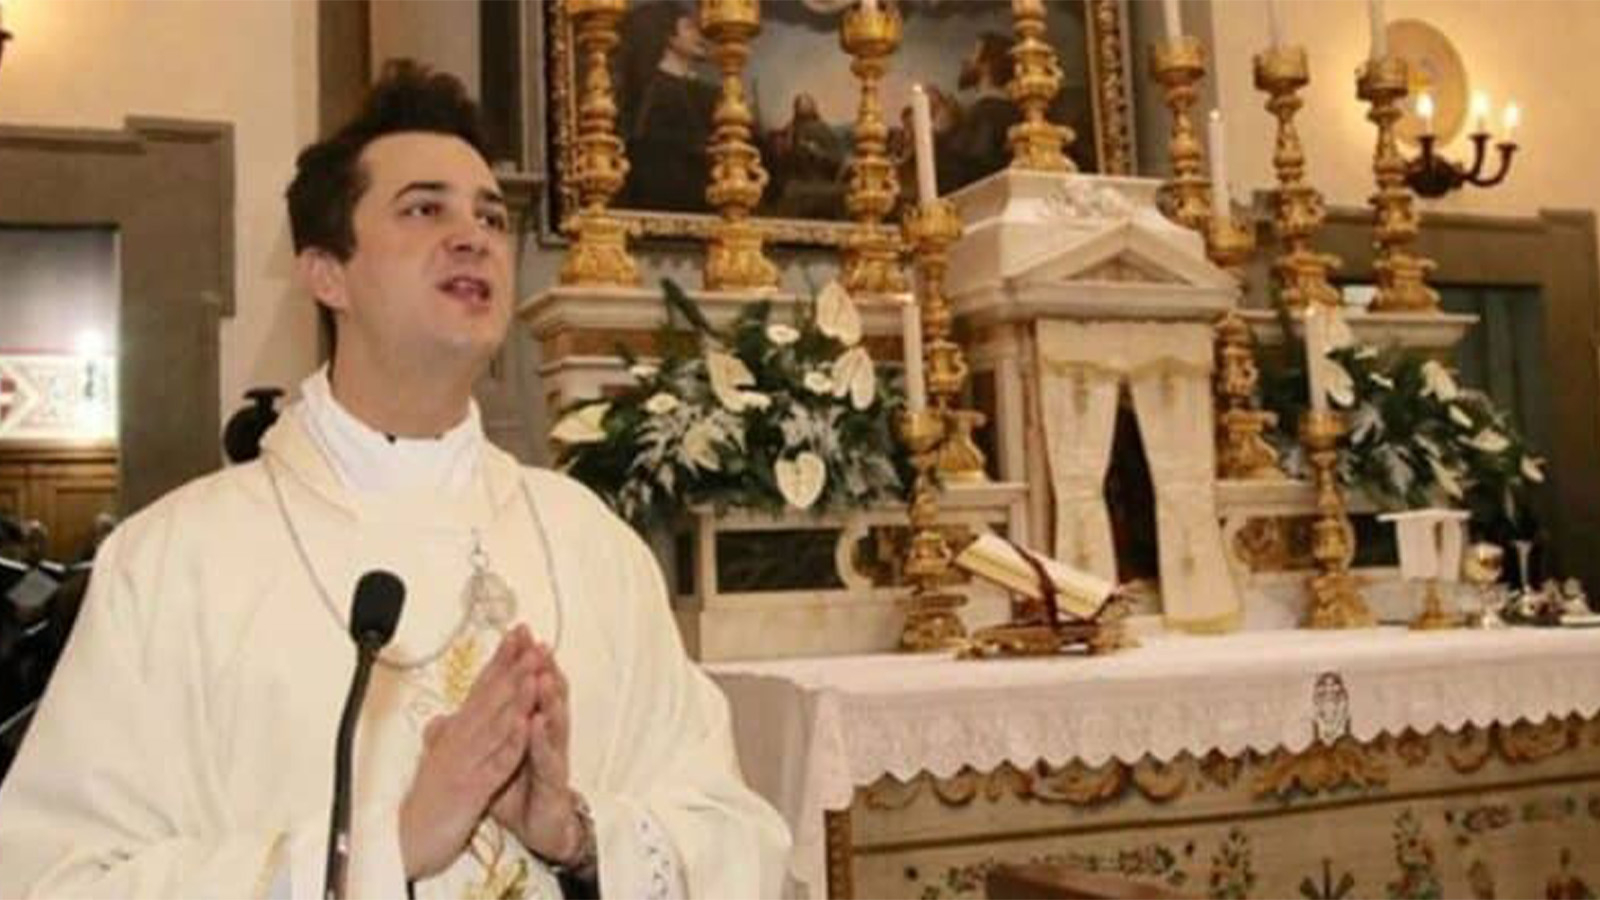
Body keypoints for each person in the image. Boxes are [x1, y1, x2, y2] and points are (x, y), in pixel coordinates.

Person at [0, 62, 790, 898]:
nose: (473, 236)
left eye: (491, 216)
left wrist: (579, 836)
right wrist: (383, 850)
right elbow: (52, 879)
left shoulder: (591, 545)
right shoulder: (172, 563)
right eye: (423, 209)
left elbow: (738, 836)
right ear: (326, 273)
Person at [616, 2, 719, 213]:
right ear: (669, 37)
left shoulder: (707, 91)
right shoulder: (656, 93)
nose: (698, 35)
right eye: (688, 27)